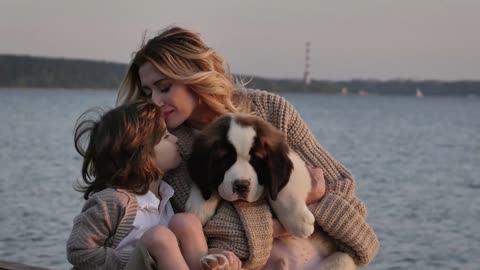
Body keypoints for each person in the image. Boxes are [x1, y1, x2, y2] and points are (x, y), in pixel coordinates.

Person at [117, 26, 379, 269]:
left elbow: (342, 187)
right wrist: (305, 199)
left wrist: (301, 210)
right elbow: (217, 235)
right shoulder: (171, 148)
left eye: (164, 87)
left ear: (194, 76)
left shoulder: (271, 110)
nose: (156, 101)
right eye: (148, 91)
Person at [66, 101, 216, 270]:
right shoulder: (113, 201)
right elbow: (78, 251)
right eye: (166, 137)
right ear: (142, 154)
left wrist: (218, 257)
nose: (175, 138)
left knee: (186, 222)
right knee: (159, 238)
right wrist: (142, 256)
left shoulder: (166, 196)